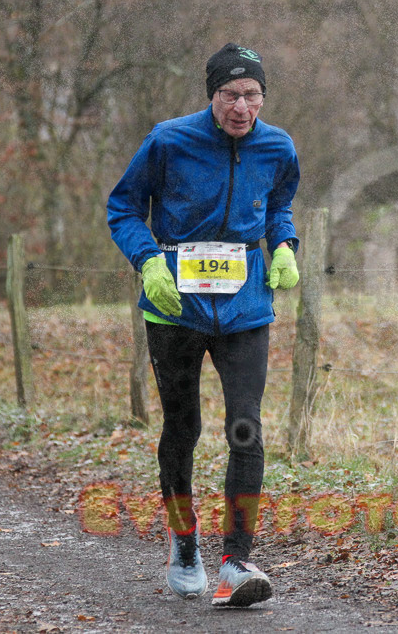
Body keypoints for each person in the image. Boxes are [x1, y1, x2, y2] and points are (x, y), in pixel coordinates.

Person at [107, 43, 300, 607]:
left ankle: (236, 560)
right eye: (231, 95)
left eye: (253, 95)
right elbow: (123, 207)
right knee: (182, 429)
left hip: (244, 307)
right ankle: (184, 540)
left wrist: (284, 244)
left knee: (247, 427)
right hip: (174, 308)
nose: (243, 107)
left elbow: (279, 205)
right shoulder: (169, 140)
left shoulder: (278, 146)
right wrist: (146, 261)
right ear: (212, 95)